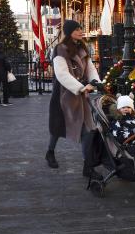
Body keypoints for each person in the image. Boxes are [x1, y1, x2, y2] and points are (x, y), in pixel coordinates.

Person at [47, 19, 102, 180]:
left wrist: (96, 82)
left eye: (80, 29)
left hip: (80, 95)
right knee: (57, 127)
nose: (80, 31)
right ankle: (50, 152)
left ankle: (88, 166)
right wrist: (80, 87)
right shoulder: (60, 49)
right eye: (77, 29)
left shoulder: (82, 48)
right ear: (69, 31)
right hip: (63, 94)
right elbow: (62, 74)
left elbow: (91, 69)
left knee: (87, 130)